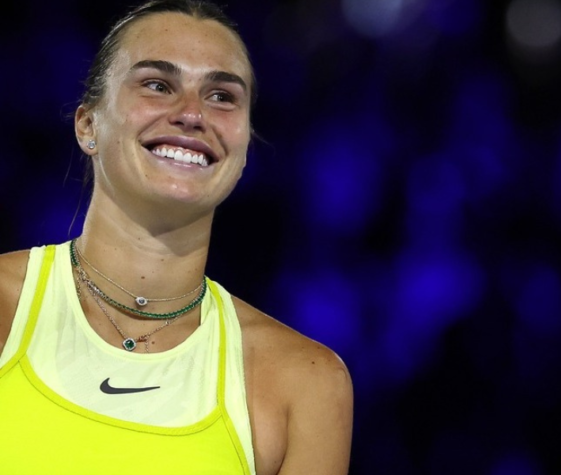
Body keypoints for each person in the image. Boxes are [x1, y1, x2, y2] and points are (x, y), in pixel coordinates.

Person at [0, 1, 352, 473]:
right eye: (158, 85)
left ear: (245, 146)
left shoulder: (304, 384)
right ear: (89, 125)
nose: (192, 114)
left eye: (222, 96)